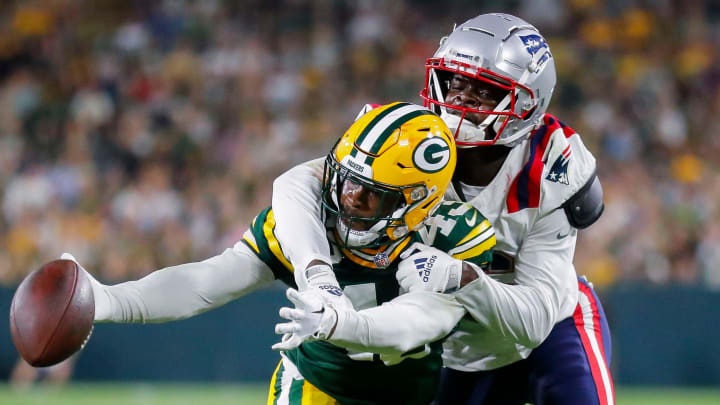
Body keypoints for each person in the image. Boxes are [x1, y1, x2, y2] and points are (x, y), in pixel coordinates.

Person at [270, 13, 614, 405]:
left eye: (484, 90)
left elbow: (535, 321)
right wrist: (315, 271)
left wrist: (462, 277)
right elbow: (295, 184)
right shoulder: (405, 138)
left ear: (526, 104)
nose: (461, 98)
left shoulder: (551, 163)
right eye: (455, 82)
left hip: (553, 333)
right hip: (449, 351)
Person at [65, 102, 496, 404]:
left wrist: (340, 323)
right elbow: (208, 281)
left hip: (415, 397)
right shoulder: (307, 218)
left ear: (417, 203)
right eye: (346, 181)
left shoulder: (455, 237)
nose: (348, 200)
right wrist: (113, 301)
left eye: (369, 196)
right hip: (317, 387)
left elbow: (416, 324)